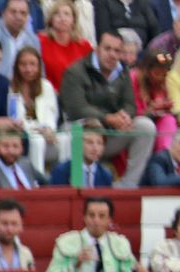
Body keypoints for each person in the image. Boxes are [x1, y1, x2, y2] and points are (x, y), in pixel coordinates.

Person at [60, 29, 157, 185]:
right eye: (107, 49)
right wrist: (108, 118)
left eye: (117, 51)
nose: (112, 54)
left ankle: (128, 186)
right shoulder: (76, 71)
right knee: (76, 126)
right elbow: (76, 108)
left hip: (110, 134)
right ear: (97, 49)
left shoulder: (123, 71)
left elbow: (130, 104)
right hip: (80, 132)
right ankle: (78, 187)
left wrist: (125, 116)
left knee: (145, 126)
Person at [48, 195, 140, 272]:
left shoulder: (119, 243)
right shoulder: (66, 241)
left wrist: (137, 270)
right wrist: (75, 263)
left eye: (102, 216)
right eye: (91, 215)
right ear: (84, 217)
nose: (96, 221)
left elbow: (131, 271)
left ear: (109, 220)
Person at [8, 43, 60, 173]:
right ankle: (37, 180)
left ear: (39, 66)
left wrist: (48, 128)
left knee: (66, 139)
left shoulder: (46, 86)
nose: (28, 69)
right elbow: (14, 117)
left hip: (46, 132)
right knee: (36, 141)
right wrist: (36, 129)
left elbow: (52, 114)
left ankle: (64, 180)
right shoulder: (11, 88)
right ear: (17, 66)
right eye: (23, 64)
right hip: (24, 134)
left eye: (32, 64)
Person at [132, 44, 177, 151]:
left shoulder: (163, 84)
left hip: (155, 124)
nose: (161, 78)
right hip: (135, 126)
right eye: (157, 73)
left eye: (165, 74)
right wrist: (150, 110)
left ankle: (163, 156)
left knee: (169, 120)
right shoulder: (133, 79)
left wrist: (165, 107)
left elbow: (162, 110)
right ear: (146, 70)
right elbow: (131, 111)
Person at [39, 0, 92, 91]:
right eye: (57, 14)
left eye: (67, 14)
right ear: (51, 19)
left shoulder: (84, 46)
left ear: (73, 20)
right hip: (49, 94)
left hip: (76, 95)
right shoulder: (40, 41)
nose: (62, 18)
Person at [0, 0, 39, 73]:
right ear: (3, 13)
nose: (18, 17)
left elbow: (39, 72)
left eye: (23, 13)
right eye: (13, 12)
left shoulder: (33, 40)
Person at [48, 120, 118, 182]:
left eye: (100, 143)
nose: (95, 148)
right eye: (90, 142)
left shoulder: (105, 176)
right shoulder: (61, 171)